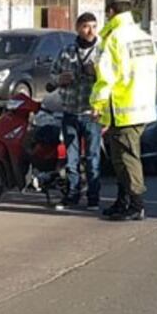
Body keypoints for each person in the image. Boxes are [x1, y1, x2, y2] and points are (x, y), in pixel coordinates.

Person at [90, 0, 157, 222]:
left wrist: (97, 104)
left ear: (110, 12)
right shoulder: (143, 36)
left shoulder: (114, 38)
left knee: (127, 159)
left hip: (123, 107)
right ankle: (123, 201)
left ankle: (136, 205)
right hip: (141, 106)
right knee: (120, 158)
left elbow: (106, 76)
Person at [50, 12, 102, 210]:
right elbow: (52, 75)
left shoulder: (102, 51)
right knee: (71, 157)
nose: (90, 31)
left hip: (92, 113)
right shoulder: (66, 51)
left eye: (94, 27)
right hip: (70, 110)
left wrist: (96, 73)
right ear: (78, 28)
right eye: (86, 27)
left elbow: (112, 79)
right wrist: (59, 80)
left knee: (92, 157)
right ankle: (72, 195)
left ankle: (93, 198)